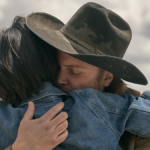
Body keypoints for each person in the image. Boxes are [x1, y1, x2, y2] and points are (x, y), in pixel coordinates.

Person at [0, 2, 150, 150]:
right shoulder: (108, 107)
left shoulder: (6, 114)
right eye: (56, 67)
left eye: (75, 72)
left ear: (107, 78)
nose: (59, 80)